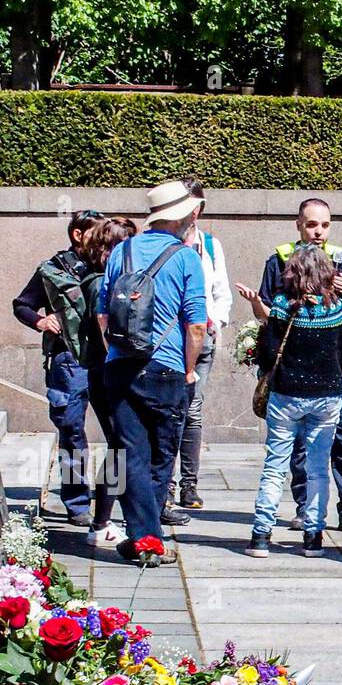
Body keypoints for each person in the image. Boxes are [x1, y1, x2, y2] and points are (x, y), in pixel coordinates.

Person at [237, 197, 342, 532]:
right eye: (311, 224)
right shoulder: (281, 260)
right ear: (298, 224)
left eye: (324, 225)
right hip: (293, 369)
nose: (318, 232)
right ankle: (304, 507)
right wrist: (256, 305)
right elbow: (270, 317)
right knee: (296, 446)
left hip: (334, 369)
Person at [97, 180, 208, 566]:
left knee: (129, 456)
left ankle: (142, 536)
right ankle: (148, 539)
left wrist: (120, 348)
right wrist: (189, 368)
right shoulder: (186, 257)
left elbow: (103, 314)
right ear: (189, 215)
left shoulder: (121, 252)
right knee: (162, 455)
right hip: (166, 368)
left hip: (120, 366)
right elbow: (197, 325)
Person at [245, 247, 342, 560]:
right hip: (327, 397)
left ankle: (261, 535)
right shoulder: (338, 309)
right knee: (318, 468)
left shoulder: (280, 306)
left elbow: (267, 354)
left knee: (275, 466)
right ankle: (313, 536)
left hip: (286, 396)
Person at [12, 207, 104, 526]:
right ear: (77, 235)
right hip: (69, 361)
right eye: (96, 233)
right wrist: (41, 320)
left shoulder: (110, 265)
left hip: (109, 360)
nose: (103, 239)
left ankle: (124, 497)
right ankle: (77, 502)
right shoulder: (53, 270)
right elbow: (21, 305)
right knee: (72, 430)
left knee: (123, 431)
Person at [166, 176, 232, 512]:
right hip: (168, 341)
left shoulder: (209, 245)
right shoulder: (160, 241)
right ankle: (166, 484)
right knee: (171, 412)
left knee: (192, 410)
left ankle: (188, 485)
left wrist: (216, 322)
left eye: (194, 207)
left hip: (200, 338)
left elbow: (221, 291)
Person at [79, 215, 139, 547]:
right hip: (109, 374)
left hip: (100, 373)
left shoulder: (97, 279)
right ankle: (101, 522)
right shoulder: (105, 284)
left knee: (120, 447)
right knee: (120, 448)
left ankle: (102, 521)